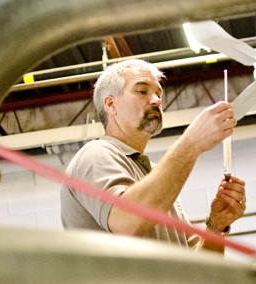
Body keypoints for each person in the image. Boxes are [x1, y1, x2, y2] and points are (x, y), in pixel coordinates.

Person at [60, 59, 246, 253]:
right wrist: (192, 142)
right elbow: (127, 222)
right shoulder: (95, 154)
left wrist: (216, 225)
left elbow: (198, 269)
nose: (157, 100)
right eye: (142, 91)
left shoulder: (154, 174)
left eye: (158, 93)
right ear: (110, 104)